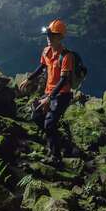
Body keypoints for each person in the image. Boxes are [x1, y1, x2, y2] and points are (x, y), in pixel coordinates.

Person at [18, 19, 74, 163]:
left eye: (53, 35)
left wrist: (48, 99)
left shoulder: (66, 56)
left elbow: (63, 81)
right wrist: (29, 79)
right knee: (36, 115)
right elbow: (42, 67)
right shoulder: (46, 51)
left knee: (49, 123)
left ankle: (55, 157)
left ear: (60, 37)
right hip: (49, 92)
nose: (49, 38)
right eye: (48, 35)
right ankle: (57, 138)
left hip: (62, 94)